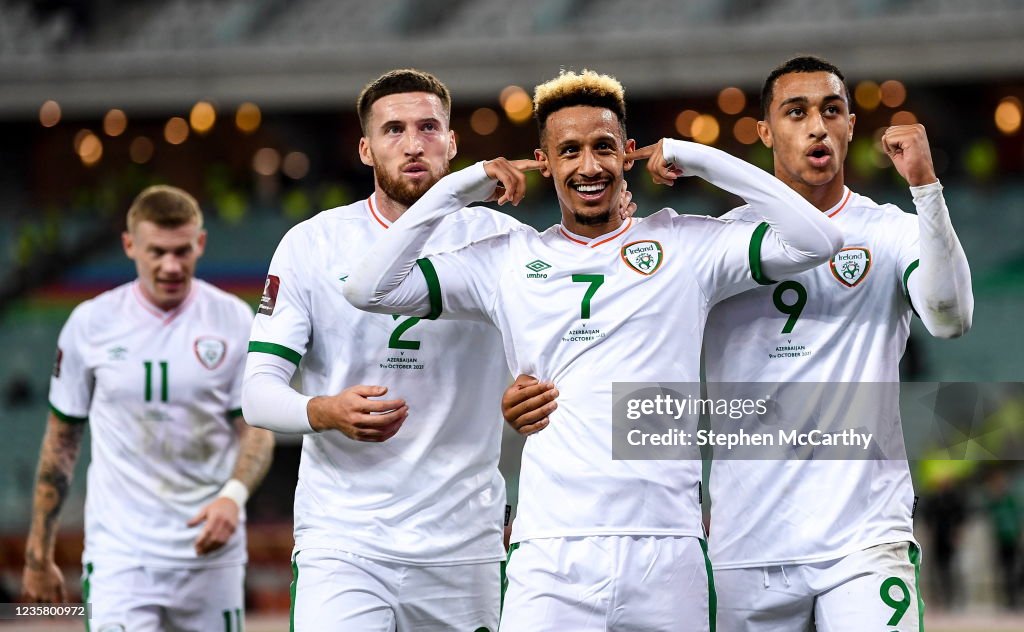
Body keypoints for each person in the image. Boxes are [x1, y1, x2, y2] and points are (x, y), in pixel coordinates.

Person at [343, 69, 843, 631]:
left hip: (668, 548)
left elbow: (818, 240)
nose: (588, 166)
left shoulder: (684, 245)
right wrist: (460, 187)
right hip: (549, 553)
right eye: (569, 151)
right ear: (545, 162)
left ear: (628, 155)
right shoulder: (507, 259)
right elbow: (369, 288)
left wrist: (701, 158)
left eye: (604, 147)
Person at [504, 56, 974, 631]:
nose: (817, 127)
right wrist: (529, 387)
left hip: (862, 537)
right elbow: (605, 311)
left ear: (851, 124)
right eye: (795, 112)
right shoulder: (717, 246)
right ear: (765, 133)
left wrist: (925, 189)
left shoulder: (893, 230)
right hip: (744, 545)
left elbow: (950, 320)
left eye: (831, 111)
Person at [242, 68, 541, 631]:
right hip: (345, 540)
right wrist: (324, 411)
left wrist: (524, 392)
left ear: (453, 143)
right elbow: (257, 395)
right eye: (393, 129)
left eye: (429, 127)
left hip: (464, 543)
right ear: (365, 148)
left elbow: (551, 364)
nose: (412, 143)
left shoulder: (504, 243)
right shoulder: (313, 243)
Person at [21, 185, 275, 631]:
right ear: (129, 245)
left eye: (182, 251)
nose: (171, 265)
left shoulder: (234, 319)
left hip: (210, 556)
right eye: (157, 251)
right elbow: (61, 442)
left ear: (200, 243)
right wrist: (38, 553)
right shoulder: (91, 323)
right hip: (121, 556)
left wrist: (232, 498)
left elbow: (258, 428)